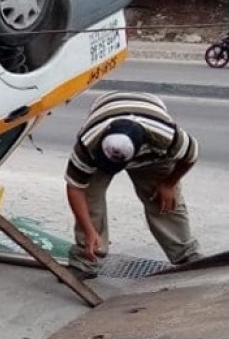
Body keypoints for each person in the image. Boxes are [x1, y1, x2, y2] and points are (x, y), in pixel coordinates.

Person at [65, 91, 201, 280]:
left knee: (164, 201)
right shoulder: (89, 142)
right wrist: (89, 230)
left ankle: (186, 256)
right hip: (106, 107)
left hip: (152, 144)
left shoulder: (166, 136)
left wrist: (169, 184)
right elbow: (75, 187)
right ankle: (85, 260)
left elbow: (191, 155)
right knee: (90, 199)